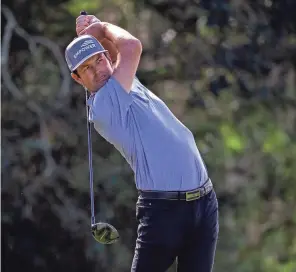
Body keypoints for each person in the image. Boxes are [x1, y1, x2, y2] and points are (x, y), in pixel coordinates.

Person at [65, 14, 219, 272]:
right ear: (78, 78)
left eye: (99, 59)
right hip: (164, 212)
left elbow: (117, 55)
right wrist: (101, 28)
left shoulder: (120, 81)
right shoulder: (104, 105)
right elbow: (132, 47)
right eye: (87, 68)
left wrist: (97, 33)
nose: (98, 70)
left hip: (204, 202)